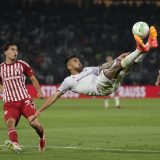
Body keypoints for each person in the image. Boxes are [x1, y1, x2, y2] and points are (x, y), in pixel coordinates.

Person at [30, 26, 158, 121]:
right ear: (69, 66)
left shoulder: (87, 69)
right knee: (116, 67)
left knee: (127, 65)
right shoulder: (68, 81)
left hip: (112, 85)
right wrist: (40, 110)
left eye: (78, 60)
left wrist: (118, 57)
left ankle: (149, 45)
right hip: (99, 88)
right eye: (75, 61)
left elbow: (104, 66)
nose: (79, 62)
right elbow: (54, 96)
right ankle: (140, 49)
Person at [0, 42, 45, 152]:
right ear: (5, 52)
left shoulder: (22, 64)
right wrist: (2, 90)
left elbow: (33, 78)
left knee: (34, 124)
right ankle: (15, 145)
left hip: (24, 100)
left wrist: (39, 92)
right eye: (12, 49)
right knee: (10, 124)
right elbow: (1, 83)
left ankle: (42, 137)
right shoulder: (0, 68)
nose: (15, 52)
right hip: (9, 102)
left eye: (16, 50)